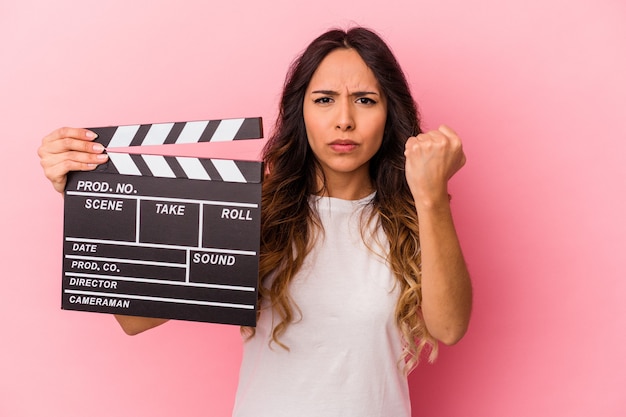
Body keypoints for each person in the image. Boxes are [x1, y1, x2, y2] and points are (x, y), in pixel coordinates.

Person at [38, 27, 472, 417]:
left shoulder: (410, 216)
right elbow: (137, 320)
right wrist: (87, 197)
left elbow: (449, 327)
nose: (344, 119)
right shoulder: (254, 211)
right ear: (300, 112)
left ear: (388, 112)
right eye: (324, 100)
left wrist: (432, 196)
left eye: (365, 99)